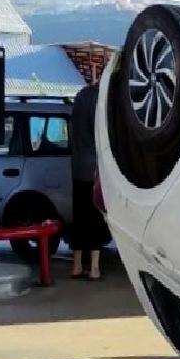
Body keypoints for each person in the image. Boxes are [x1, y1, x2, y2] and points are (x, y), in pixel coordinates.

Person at [67, 71, 110, 278]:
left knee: (80, 216)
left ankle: (76, 265)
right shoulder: (99, 99)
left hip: (77, 166)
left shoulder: (80, 96)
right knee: (95, 217)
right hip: (95, 168)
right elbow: (102, 134)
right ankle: (94, 268)